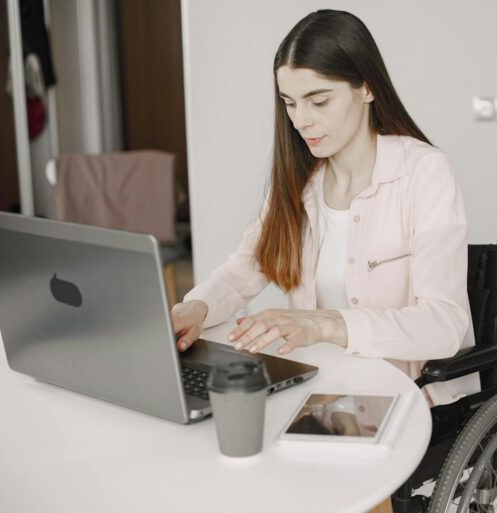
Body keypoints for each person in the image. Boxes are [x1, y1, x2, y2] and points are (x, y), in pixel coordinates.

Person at [171, 8, 478, 408]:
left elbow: (444, 323)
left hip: (411, 398)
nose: (301, 121)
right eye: (290, 103)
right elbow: (244, 269)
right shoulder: (301, 181)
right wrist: (195, 307)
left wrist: (326, 324)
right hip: (323, 390)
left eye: (319, 101)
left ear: (366, 89)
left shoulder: (425, 172)